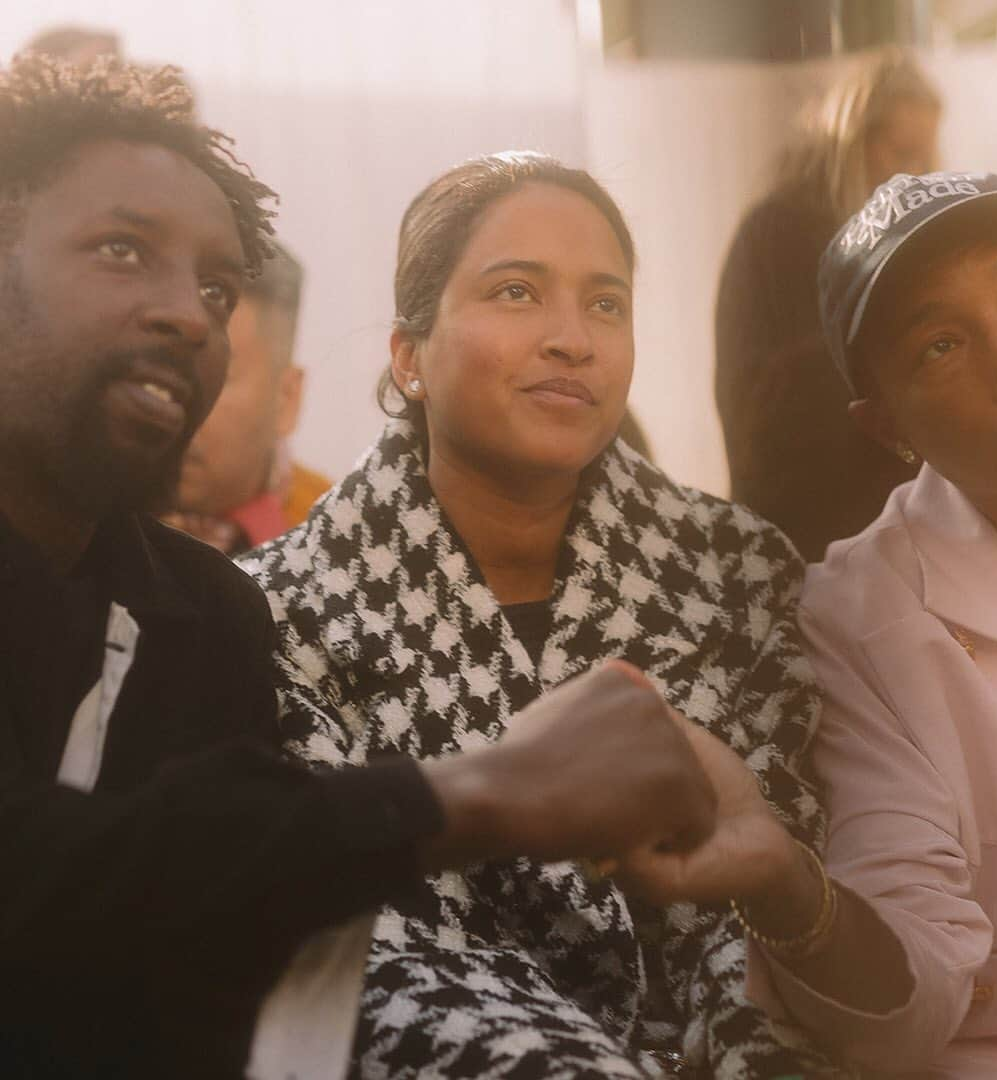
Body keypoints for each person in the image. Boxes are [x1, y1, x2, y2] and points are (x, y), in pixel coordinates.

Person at [0, 54, 724, 1080]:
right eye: (122, 250)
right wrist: (474, 793)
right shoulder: (296, 603)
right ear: (408, 356)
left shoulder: (205, 617)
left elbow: (222, 977)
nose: (189, 314)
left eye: (216, 286)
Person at [243, 152, 828, 1078]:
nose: (573, 338)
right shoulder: (277, 611)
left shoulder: (742, 574)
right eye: (517, 292)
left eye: (606, 304)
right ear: (409, 353)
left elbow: (775, 898)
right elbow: (374, 966)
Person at [736, 169, 997, 1077]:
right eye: (940, 345)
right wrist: (787, 891)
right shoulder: (859, 625)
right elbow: (908, 997)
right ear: (886, 427)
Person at [714, 48, 941, 561]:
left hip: (880, 541)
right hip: (805, 542)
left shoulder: (876, 242)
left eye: (925, 157)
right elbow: (766, 414)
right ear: (850, 140)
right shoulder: (781, 232)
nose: (913, 175)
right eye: (900, 151)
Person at [162, 241, 332, 554]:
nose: (176, 402)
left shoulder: (339, 537)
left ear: (286, 399)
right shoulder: (86, 519)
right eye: (163, 365)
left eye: (215, 374)